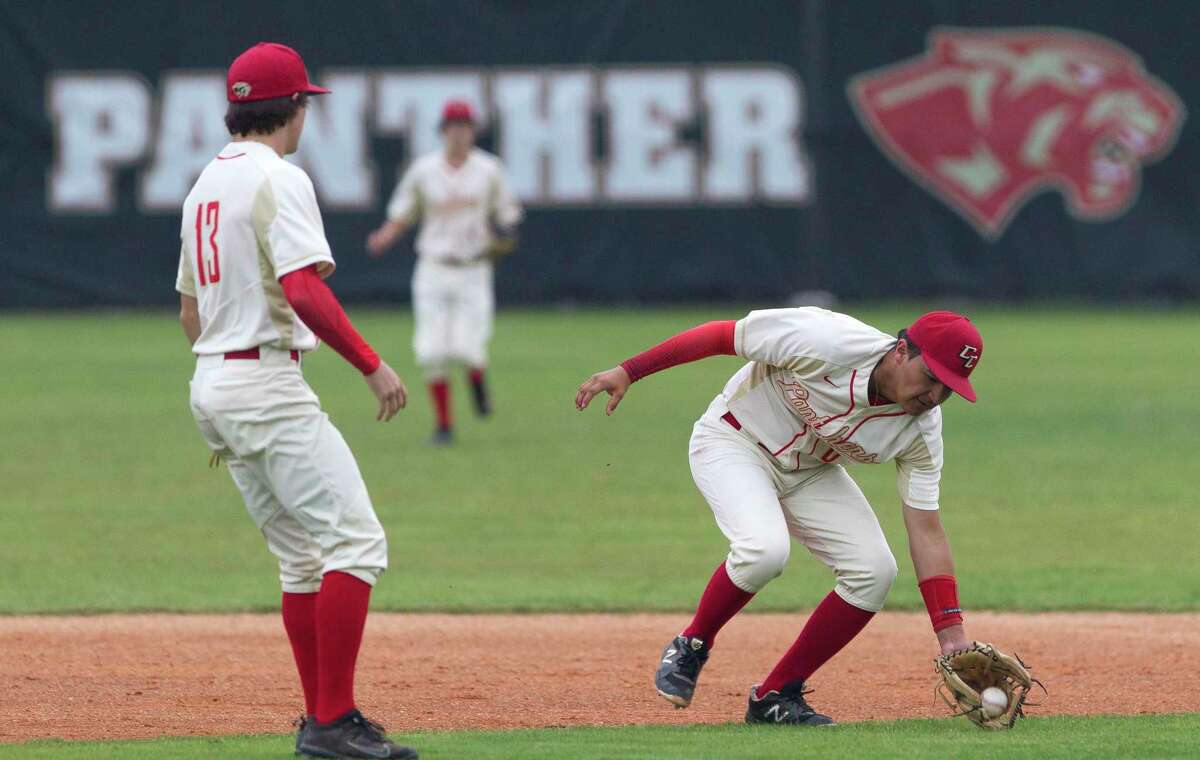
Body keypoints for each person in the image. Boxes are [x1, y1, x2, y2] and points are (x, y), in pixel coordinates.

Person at [176, 42, 416, 760]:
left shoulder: (202, 186)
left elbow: (189, 310)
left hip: (213, 381)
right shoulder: (280, 177)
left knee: (302, 561)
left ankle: (323, 718)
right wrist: (371, 365)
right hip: (262, 382)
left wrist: (227, 385)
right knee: (357, 543)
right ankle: (333, 720)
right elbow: (305, 287)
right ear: (296, 107)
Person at [575, 307, 983, 725]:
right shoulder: (827, 340)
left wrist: (950, 633)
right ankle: (692, 643)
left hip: (810, 473)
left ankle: (775, 695)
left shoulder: (921, 429)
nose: (935, 396)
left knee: (874, 572)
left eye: (949, 388)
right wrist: (630, 370)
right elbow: (721, 336)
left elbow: (926, 528)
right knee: (764, 551)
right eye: (932, 377)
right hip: (734, 442)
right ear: (901, 351)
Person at [366, 100, 523, 445]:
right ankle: (444, 426)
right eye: (453, 125)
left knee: (468, 349)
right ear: (443, 130)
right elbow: (403, 212)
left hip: (473, 267)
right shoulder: (425, 170)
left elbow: (508, 215)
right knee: (431, 350)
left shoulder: (488, 169)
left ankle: (477, 381)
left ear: (473, 130)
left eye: (465, 125)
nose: (459, 131)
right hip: (433, 266)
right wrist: (384, 237)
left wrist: (503, 235)